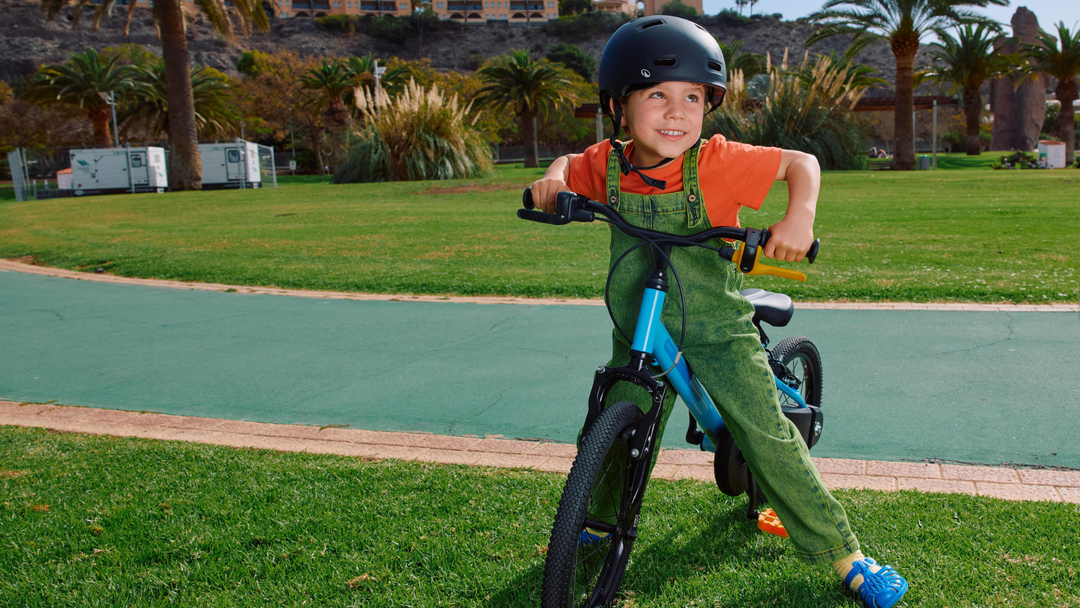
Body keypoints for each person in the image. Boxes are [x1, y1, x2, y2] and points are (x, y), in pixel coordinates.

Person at [528, 16, 908, 608]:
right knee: (618, 417)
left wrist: (797, 217)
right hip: (641, 329)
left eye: (693, 98)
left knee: (765, 433)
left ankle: (845, 553)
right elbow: (565, 163)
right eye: (656, 94)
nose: (676, 112)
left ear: (709, 106)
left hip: (716, 327)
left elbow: (800, 164)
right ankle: (598, 523)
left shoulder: (717, 162)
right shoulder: (607, 163)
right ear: (619, 106)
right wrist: (550, 185)